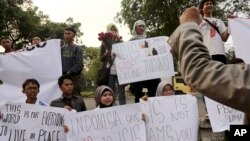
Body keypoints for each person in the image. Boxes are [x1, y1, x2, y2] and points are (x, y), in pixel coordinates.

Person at [168, 6, 250, 117]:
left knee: (218, 87)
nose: (209, 5)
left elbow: (198, 70)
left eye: (211, 3)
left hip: (214, 56)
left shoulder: (218, 21)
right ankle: (211, 113)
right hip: (206, 55)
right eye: (206, 3)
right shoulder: (200, 23)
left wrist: (187, 25)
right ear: (202, 8)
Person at [129, 20, 160, 103]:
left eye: (143, 26)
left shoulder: (149, 40)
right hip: (138, 72)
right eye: (139, 26)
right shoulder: (130, 42)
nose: (141, 28)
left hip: (149, 71)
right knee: (139, 94)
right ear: (135, 28)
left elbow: (151, 54)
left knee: (152, 92)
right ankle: (139, 112)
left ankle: (152, 111)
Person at [99, 23, 126, 105]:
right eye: (111, 29)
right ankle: (112, 108)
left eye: (115, 30)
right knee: (110, 92)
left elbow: (126, 56)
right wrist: (106, 54)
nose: (113, 31)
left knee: (122, 93)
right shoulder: (104, 43)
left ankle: (124, 109)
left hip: (121, 71)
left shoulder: (122, 42)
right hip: (109, 71)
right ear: (108, 31)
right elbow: (101, 58)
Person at [61, 27, 83, 96]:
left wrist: (70, 72)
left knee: (75, 96)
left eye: (69, 34)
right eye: (65, 34)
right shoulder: (61, 49)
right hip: (62, 76)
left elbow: (79, 64)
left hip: (73, 77)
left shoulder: (77, 48)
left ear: (73, 35)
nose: (66, 35)